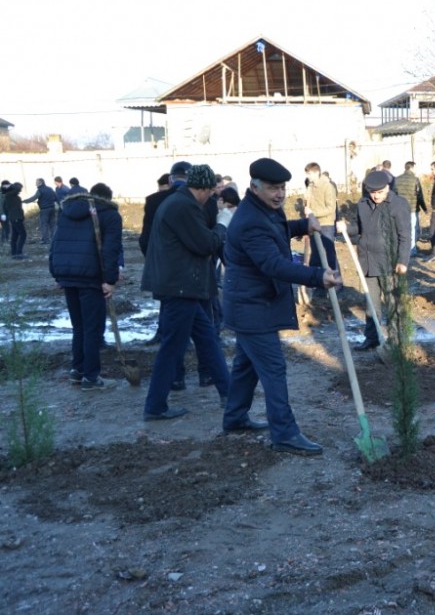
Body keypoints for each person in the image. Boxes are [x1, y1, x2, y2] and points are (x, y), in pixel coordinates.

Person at [222, 158, 339, 454]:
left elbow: (276, 229)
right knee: (273, 368)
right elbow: (272, 264)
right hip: (252, 308)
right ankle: (285, 434)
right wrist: (316, 276)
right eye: (273, 187)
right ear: (254, 187)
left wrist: (301, 225)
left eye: (283, 187)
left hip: (252, 305)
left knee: (246, 365)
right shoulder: (249, 221)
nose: (279, 194)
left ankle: (235, 417)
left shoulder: (265, 210)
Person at [141, 164, 231, 421]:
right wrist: (222, 225)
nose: (211, 198)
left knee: (207, 340)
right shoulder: (184, 206)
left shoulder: (177, 202)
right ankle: (155, 406)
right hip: (179, 287)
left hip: (182, 286)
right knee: (172, 347)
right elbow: (206, 244)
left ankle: (229, 394)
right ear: (202, 188)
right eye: (211, 192)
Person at [49, 183, 122, 389]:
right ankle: (91, 377)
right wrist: (110, 280)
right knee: (93, 329)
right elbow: (111, 249)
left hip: (68, 275)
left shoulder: (67, 212)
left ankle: (77, 370)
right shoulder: (110, 215)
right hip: (91, 278)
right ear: (108, 198)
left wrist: (56, 273)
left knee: (79, 327)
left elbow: (56, 243)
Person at [338, 171, 411, 350]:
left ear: (387, 188)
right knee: (371, 303)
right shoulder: (363, 204)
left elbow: (405, 236)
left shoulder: (398, 205)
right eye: (373, 193)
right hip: (368, 261)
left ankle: (395, 340)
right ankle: (372, 338)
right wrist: (346, 227)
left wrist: (403, 261)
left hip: (389, 263)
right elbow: (358, 228)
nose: (376, 196)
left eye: (380, 192)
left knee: (392, 303)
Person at [303, 162, 340, 286]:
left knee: (329, 255)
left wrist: (313, 213)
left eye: (309, 174)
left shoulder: (328, 186)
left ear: (316, 172)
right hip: (314, 224)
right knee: (316, 255)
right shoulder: (311, 186)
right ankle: (320, 283)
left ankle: (336, 283)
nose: (308, 176)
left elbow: (330, 208)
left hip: (326, 224)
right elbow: (308, 202)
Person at [392, 161, 426, 255]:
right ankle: (412, 250)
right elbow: (419, 195)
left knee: (400, 229)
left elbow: (393, 194)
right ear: (412, 168)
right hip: (412, 208)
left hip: (399, 209)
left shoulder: (396, 179)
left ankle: (401, 249)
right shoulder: (415, 180)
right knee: (412, 229)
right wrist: (424, 208)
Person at [22, 177, 57, 245]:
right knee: (52, 224)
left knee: (44, 225)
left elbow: (33, 198)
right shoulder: (50, 189)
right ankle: (54, 238)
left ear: (41, 182)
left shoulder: (40, 190)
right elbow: (55, 197)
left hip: (44, 210)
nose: (35, 184)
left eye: (37, 182)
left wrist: (24, 201)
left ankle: (45, 240)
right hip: (52, 208)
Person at [4, 182, 26, 258]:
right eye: (20, 188)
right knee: (23, 234)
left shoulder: (14, 196)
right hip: (15, 218)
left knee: (15, 235)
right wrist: (13, 185)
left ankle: (14, 253)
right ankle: (19, 253)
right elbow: (17, 189)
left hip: (16, 217)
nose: (20, 190)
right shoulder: (9, 195)